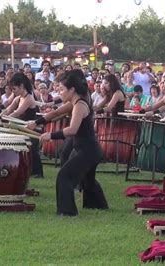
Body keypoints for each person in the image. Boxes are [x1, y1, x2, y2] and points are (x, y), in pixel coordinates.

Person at [39, 69, 108, 216]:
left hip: (88, 151)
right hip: (88, 149)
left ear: (72, 89)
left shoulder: (80, 105)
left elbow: (72, 130)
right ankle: (98, 206)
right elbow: (56, 113)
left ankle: (67, 212)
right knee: (87, 181)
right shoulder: (74, 102)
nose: (60, 93)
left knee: (64, 176)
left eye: (62, 90)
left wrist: (50, 135)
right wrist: (36, 122)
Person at [1, 73, 43, 179]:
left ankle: (38, 173)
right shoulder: (18, 98)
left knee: (33, 152)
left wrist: (4, 119)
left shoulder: (29, 98)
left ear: (21, 86)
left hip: (31, 129)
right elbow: (8, 109)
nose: (13, 91)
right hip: (21, 129)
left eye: (14, 89)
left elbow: (17, 113)